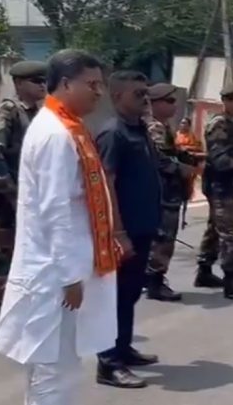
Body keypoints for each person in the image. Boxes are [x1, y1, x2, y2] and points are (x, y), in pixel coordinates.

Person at [0, 49, 118, 405]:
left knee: (53, 368)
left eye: (101, 85)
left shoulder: (66, 127)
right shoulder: (55, 134)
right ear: (65, 83)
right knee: (54, 370)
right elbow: (55, 209)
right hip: (53, 277)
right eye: (91, 84)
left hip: (59, 271)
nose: (98, 92)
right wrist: (69, 277)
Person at [95, 71, 161, 389]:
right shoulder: (113, 134)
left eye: (146, 92)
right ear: (117, 96)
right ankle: (108, 364)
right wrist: (118, 233)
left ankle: (123, 348)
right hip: (123, 231)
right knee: (116, 296)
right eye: (138, 94)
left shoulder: (140, 130)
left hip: (144, 226)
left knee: (132, 292)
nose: (145, 98)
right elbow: (106, 185)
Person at [0, 60, 47, 346]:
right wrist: (10, 190)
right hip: (9, 201)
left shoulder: (38, 115)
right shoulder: (8, 112)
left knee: (28, 260)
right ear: (20, 84)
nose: (42, 86)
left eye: (44, 81)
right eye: (36, 81)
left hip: (30, 200)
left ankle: (18, 317)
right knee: (5, 258)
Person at [195, 82, 233, 299]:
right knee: (230, 231)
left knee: (215, 229)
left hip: (226, 185)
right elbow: (219, 159)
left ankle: (204, 271)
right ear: (225, 101)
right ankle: (231, 278)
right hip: (218, 184)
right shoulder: (219, 124)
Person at [143, 83, 194, 302]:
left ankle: (152, 278)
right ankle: (155, 282)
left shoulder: (165, 126)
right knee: (164, 239)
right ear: (154, 104)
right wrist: (179, 167)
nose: (174, 105)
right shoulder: (155, 128)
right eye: (169, 101)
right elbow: (158, 159)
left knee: (163, 238)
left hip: (170, 192)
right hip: (163, 193)